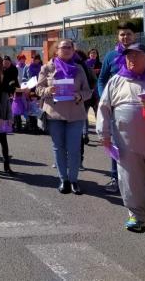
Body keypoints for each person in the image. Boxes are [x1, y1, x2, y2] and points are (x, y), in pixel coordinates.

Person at [97, 43, 145, 232]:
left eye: (136, 55)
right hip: (126, 142)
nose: (131, 59)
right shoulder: (116, 80)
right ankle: (137, 216)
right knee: (130, 179)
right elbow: (104, 108)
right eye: (128, 56)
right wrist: (104, 135)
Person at [36, 39, 92, 195]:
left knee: (74, 149)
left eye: (70, 47)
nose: (67, 49)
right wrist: (49, 90)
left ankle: (74, 180)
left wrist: (79, 96)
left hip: (75, 115)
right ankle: (63, 180)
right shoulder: (47, 68)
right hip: (54, 115)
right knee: (58, 148)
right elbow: (38, 89)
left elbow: (88, 91)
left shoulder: (79, 68)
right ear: (56, 50)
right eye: (64, 47)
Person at [97, 22, 145, 193]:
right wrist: (105, 97)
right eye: (122, 34)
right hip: (117, 108)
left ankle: (143, 180)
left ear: (135, 36)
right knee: (117, 144)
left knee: (143, 144)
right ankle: (115, 178)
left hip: (142, 107)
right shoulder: (110, 56)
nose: (125, 37)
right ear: (117, 37)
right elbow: (102, 79)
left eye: (129, 34)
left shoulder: (143, 54)